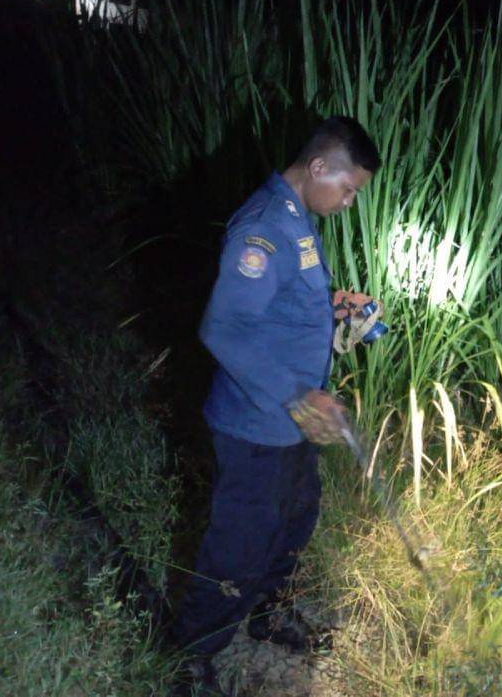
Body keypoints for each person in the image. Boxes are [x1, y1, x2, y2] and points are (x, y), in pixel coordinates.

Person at [169, 116, 381, 695]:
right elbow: (225, 329)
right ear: (318, 167)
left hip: (291, 427)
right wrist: (298, 395)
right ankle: (192, 654)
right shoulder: (261, 229)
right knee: (240, 540)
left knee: (294, 519)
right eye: (349, 188)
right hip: (256, 422)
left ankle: (266, 613)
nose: (350, 200)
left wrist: (336, 311)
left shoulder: (298, 221)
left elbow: (282, 307)